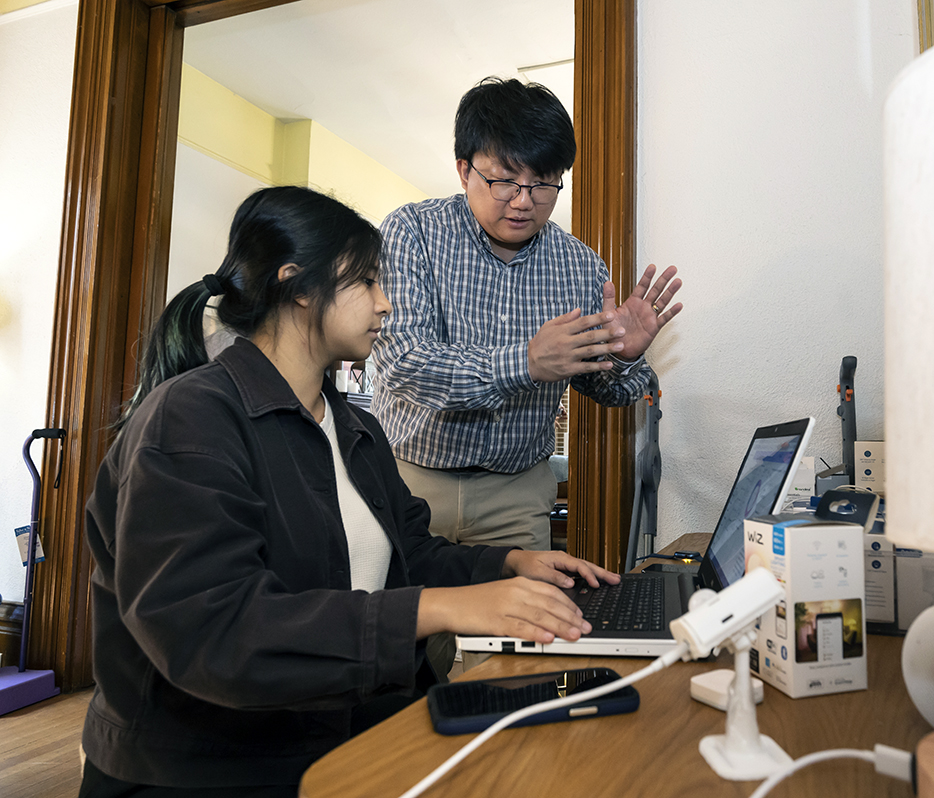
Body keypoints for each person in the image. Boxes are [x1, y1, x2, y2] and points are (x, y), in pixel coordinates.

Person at [79, 186, 617, 797]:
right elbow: (215, 631)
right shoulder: (189, 418)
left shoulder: (353, 426)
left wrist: (512, 563)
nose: (386, 304)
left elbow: (411, 553)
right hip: (203, 771)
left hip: (333, 739)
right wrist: (434, 610)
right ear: (298, 285)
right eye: (367, 282)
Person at [371, 77, 684, 553]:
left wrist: (622, 358)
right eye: (503, 181)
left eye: (542, 183)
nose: (523, 200)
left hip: (516, 496)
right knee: (397, 621)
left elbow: (608, 392)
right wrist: (528, 363)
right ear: (463, 170)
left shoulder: (579, 265)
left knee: (523, 625)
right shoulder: (412, 232)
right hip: (408, 479)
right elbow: (405, 365)